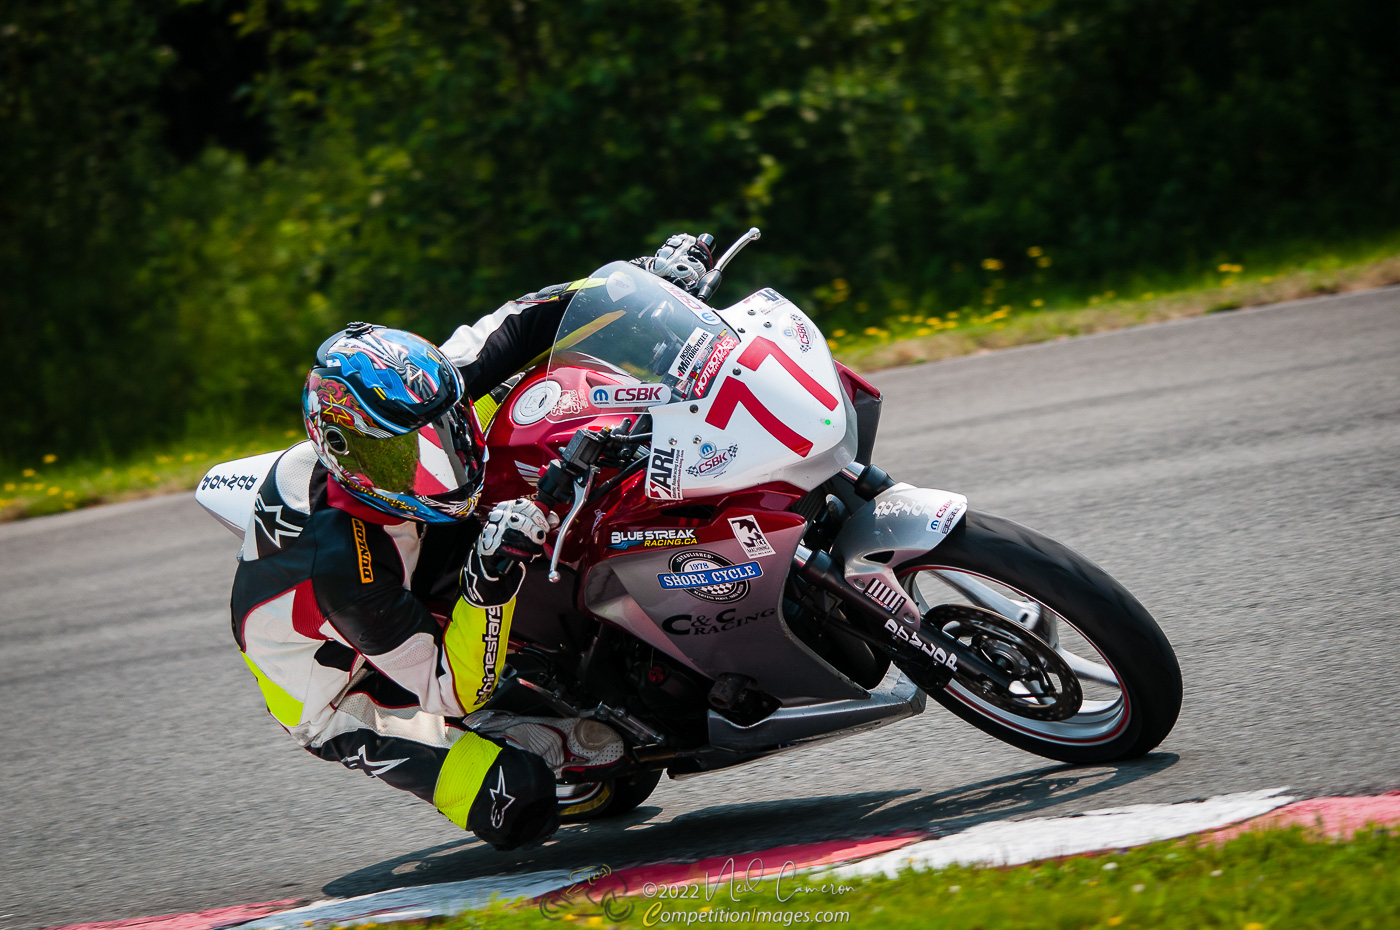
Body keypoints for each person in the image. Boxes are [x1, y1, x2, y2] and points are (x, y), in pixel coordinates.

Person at [228, 236, 713, 850]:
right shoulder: (350, 572)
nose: (441, 463)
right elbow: (449, 685)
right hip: (346, 688)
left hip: (410, 543)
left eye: (444, 429)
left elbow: (523, 319)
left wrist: (639, 284)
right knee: (520, 800)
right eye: (409, 456)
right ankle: (509, 725)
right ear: (353, 459)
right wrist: (487, 580)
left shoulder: (423, 389)